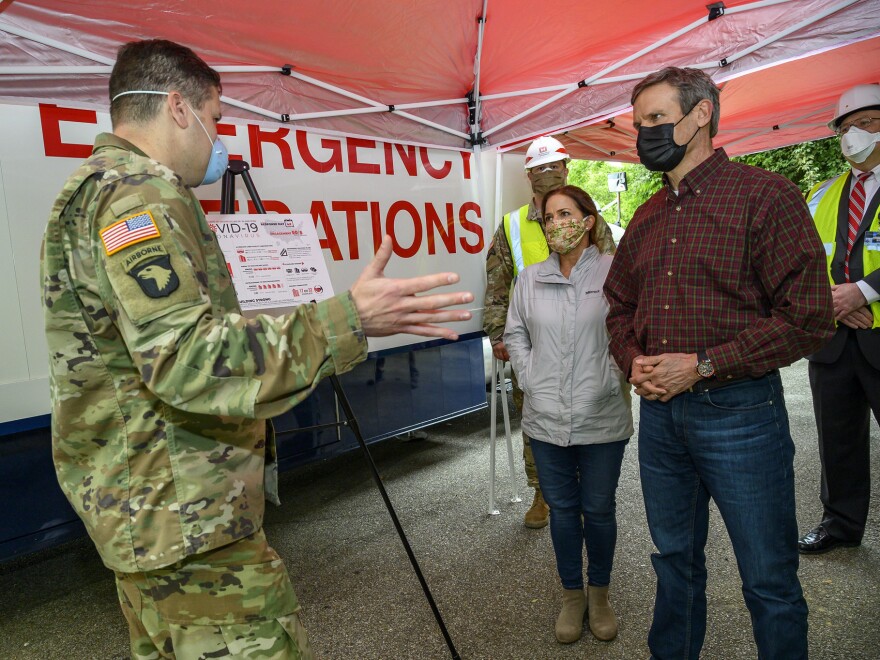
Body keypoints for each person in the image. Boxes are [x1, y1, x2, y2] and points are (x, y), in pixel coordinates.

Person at [40, 39, 473, 659]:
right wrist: (347, 318)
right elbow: (185, 359)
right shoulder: (141, 194)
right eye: (216, 118)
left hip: (150, 514)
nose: (221, 140)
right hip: (186, 520)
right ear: (177, 107)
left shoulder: (92, 189)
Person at [603, 66, 835, 659]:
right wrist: (633, 360)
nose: (645, 133)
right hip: (661, 421)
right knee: (674, 566)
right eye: (639, 124)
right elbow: (619, 305)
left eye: (656, 119)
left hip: (742, 416)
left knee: (767, 578)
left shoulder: (766, 197)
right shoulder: (648, 218)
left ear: (701, 114)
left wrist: (704, 365)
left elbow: (808, 317)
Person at [505, 185, 632, 644]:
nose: (556, 223)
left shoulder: (616, 271)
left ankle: (599, 594)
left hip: (601, 413)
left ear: (588, 220)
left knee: (597, 510)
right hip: (545, 417)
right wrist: (530, 375)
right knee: (562, 512)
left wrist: (613, 373)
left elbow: (632, 327)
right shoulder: (529, 278)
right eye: (548, 217)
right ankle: (572, 595)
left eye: (565, 213)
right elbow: (515, 334)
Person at [482, 136, 616, 529]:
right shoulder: (510, 225)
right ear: (527, 175)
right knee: (537, 417)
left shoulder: (586, 216)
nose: (547, 174)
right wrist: (498, 335)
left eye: (554, 166)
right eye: (539, 169)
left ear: (567, 168)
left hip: (586, 338)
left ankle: (586, 488)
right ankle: (543, 491)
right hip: (535, 340)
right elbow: (496, 283)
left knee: (590, 411)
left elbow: (615, 276)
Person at [799, 83, 880, 555]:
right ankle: (841, 524)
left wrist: (863, 291)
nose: (854, 135)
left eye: (866, 123)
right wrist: (835, 301)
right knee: (839, 440)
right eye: (845, 128)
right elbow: (803, 260)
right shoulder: (822, 193)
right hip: (833, 338)